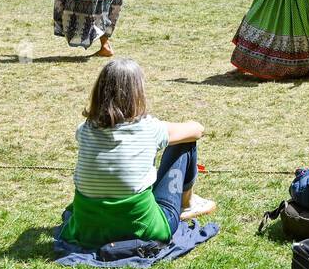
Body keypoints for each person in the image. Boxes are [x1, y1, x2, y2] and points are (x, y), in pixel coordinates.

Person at [58, 59, 214, 249]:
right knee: (184, 141)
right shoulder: (150, 128)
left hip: (87, 231)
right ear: (137, 93)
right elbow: (197, 130)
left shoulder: (84, 129)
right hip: (144, 229)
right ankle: (187, 203)